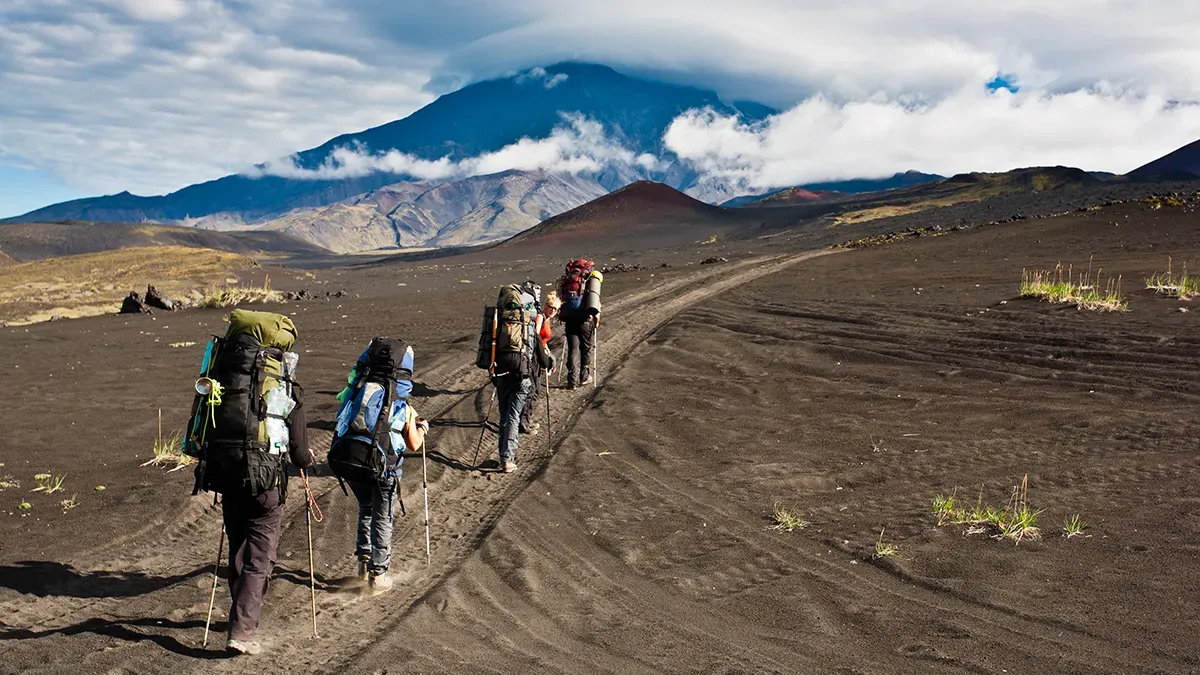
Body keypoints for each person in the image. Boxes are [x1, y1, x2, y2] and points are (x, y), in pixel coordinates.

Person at [191, 310, 312, 656]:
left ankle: (241, 614)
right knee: (260, 556)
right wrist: (306, 461)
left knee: (239, 548)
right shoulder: (282, 383)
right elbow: (301, 453)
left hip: (225, 473)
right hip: (266, 480)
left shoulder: (224, 374)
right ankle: (242, 631)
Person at [329, 339, 429, 593]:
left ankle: (363, 565)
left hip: (355, 460)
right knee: (383, 517)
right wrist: (422, 428)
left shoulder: (357, 391)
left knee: (365, 508)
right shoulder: (401, 404)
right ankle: (379, 574)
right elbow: (414, 444)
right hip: (385, 469)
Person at [493, 285, 553, 473]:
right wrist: (549, 363)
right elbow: (541, 357)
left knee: (504, 413)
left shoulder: (499, 323)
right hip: (522, 376)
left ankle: (503, 453)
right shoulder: (528, 325)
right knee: (513, 415)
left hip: (501, 374)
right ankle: (507, 459)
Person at [521, 290, 561, 435]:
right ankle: (524, 423)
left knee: (535, 389)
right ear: (545, 305)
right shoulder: (540, 317)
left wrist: (549, 355)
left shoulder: (546, 319)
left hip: (540, 356)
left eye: (556, 309)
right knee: (532, 390)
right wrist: (543, 358)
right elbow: (536, 338)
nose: (553, 311)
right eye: (551, 307)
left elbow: (543, 341)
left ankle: (527, 420)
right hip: (534, 358)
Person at [557, 259, 598, 388]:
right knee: (585, 349)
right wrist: (595, 317)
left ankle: (571, 381)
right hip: (585, 320)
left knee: (572, 350)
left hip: (570, 320)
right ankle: (584, 376)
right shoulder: (587, 279)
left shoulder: (568, 280)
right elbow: (594, 299)